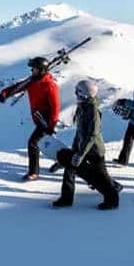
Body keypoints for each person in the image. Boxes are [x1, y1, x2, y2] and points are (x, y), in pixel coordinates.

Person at [52, 80, 120, 210]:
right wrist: (75, 149)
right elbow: (80, 132)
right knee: (70, 167)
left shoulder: (93, 111)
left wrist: (81, 154)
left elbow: (92, 135)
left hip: (94, 150)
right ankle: (66, 198)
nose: (75, 94)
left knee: (100, 176)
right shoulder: (82, 107)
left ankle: (112, 199)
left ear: (84, 95)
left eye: (78, 92)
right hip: (82, 147)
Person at [0, 56, 60, 181]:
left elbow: (55, 107)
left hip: (45, 120)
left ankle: (34, 172)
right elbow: (19, 86)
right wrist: (5, 93)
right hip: (38, 118)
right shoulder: (32, 81)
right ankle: (61, 160)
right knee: (45, 142)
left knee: (33, 143)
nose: (32, 71)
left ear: (42, 70)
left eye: (34, 69)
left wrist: (51, 125)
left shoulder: (49, 85)